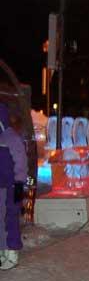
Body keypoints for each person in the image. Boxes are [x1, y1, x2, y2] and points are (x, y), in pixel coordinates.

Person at [0, 104, 27, 270]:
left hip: (14, 184)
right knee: (1, 217)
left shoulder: (10, 137)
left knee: (11, 216)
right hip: (2, 185)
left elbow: (21, 161)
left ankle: (12, 251)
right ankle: (3, 249)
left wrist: (19, 182)